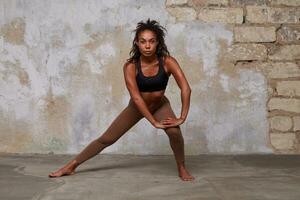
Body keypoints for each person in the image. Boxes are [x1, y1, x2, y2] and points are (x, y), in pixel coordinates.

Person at [48, 19, 195, 181]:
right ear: (137, 43)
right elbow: (137, 98)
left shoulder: (168, 61)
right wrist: (154, 122)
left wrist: (182, 116)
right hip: (137, 107)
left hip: (160, 105)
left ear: (157, 43)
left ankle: (182, 167)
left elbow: (186, 88)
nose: (147, 46)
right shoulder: (131, 66)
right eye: (143, 41)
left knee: (174, 132)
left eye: (151, 41)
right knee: (107, 139)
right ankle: (71, 166)